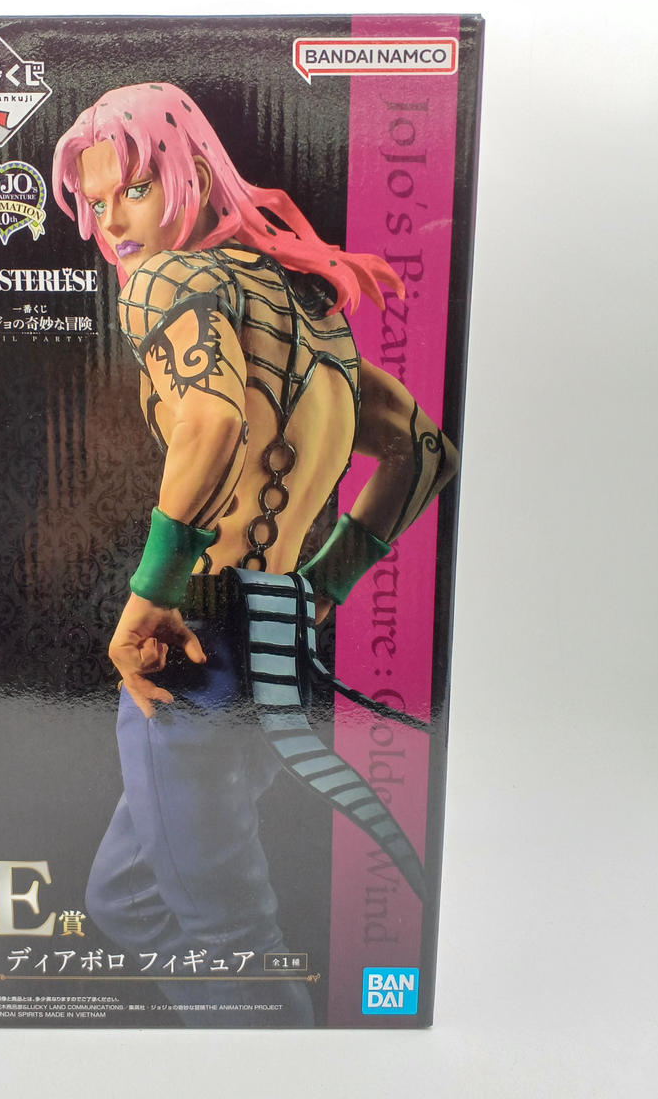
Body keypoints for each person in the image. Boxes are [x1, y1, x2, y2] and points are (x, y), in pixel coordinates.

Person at [53, 82, 458, 1026]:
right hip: (277, 640)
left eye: (134, 192)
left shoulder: (165, 283)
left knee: (229, 929)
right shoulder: (305, 309)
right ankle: (238, 1040)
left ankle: (275, 1081)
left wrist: (150, 596)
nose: (115, 223)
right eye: (97, 202)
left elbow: (213, 420)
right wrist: (325, 584)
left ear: (191, 177)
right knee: (123, 897)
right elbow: (425, 451)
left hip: (192, 647)